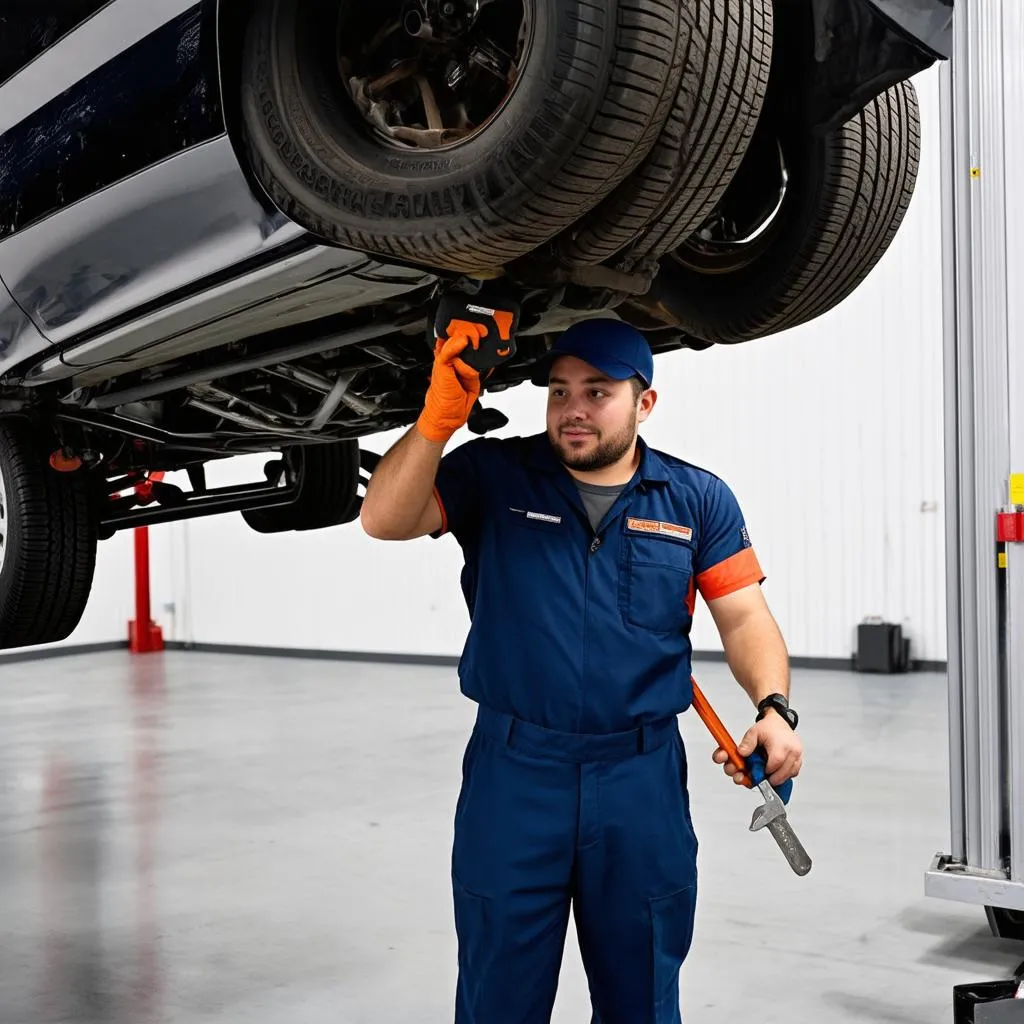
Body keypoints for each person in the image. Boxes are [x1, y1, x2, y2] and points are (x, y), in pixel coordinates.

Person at [360, 316, 804, 1023]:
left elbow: (745, 617)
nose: (573, 408)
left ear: (644, 403)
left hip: (639, 782)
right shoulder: (494, 475)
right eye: (560, 390)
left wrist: (774, 709)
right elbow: (384, 519)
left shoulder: (695, 499)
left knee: (642, 1000)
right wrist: (437, 420)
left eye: (598, 391)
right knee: (498, 994)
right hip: (514, 777)